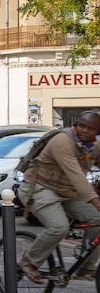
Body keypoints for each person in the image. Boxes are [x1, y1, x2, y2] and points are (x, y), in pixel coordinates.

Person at [17, 110, 100, 283]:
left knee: (97, 219)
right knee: (59, 227)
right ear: (75, 124)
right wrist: (96, 200)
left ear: (97, 131)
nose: (84, 130)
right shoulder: (62, 141)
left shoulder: (94, 147)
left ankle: (87, 266)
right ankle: (29, 261)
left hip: (67, 191)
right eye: (81, 125)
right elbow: (76, 175)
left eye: (90, 128)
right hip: (40, 188)